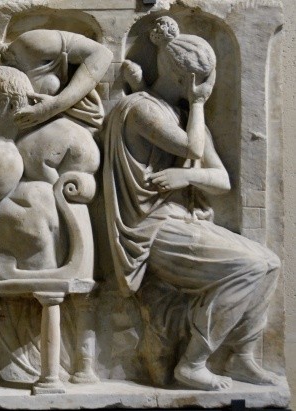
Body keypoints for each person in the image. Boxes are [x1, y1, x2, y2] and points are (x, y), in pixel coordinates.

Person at [103, 16, 280, 390]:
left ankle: (240, 356)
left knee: (269, 264)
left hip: (181, 221)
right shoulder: (140, 108)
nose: (208, 89)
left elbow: (221, 180)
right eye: (204, 80)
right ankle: (194, 363)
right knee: (250, 266)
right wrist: (198, 105)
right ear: (189, 78)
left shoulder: (182, 117)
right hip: (151, 231)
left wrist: (187, 177)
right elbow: (192, 149)